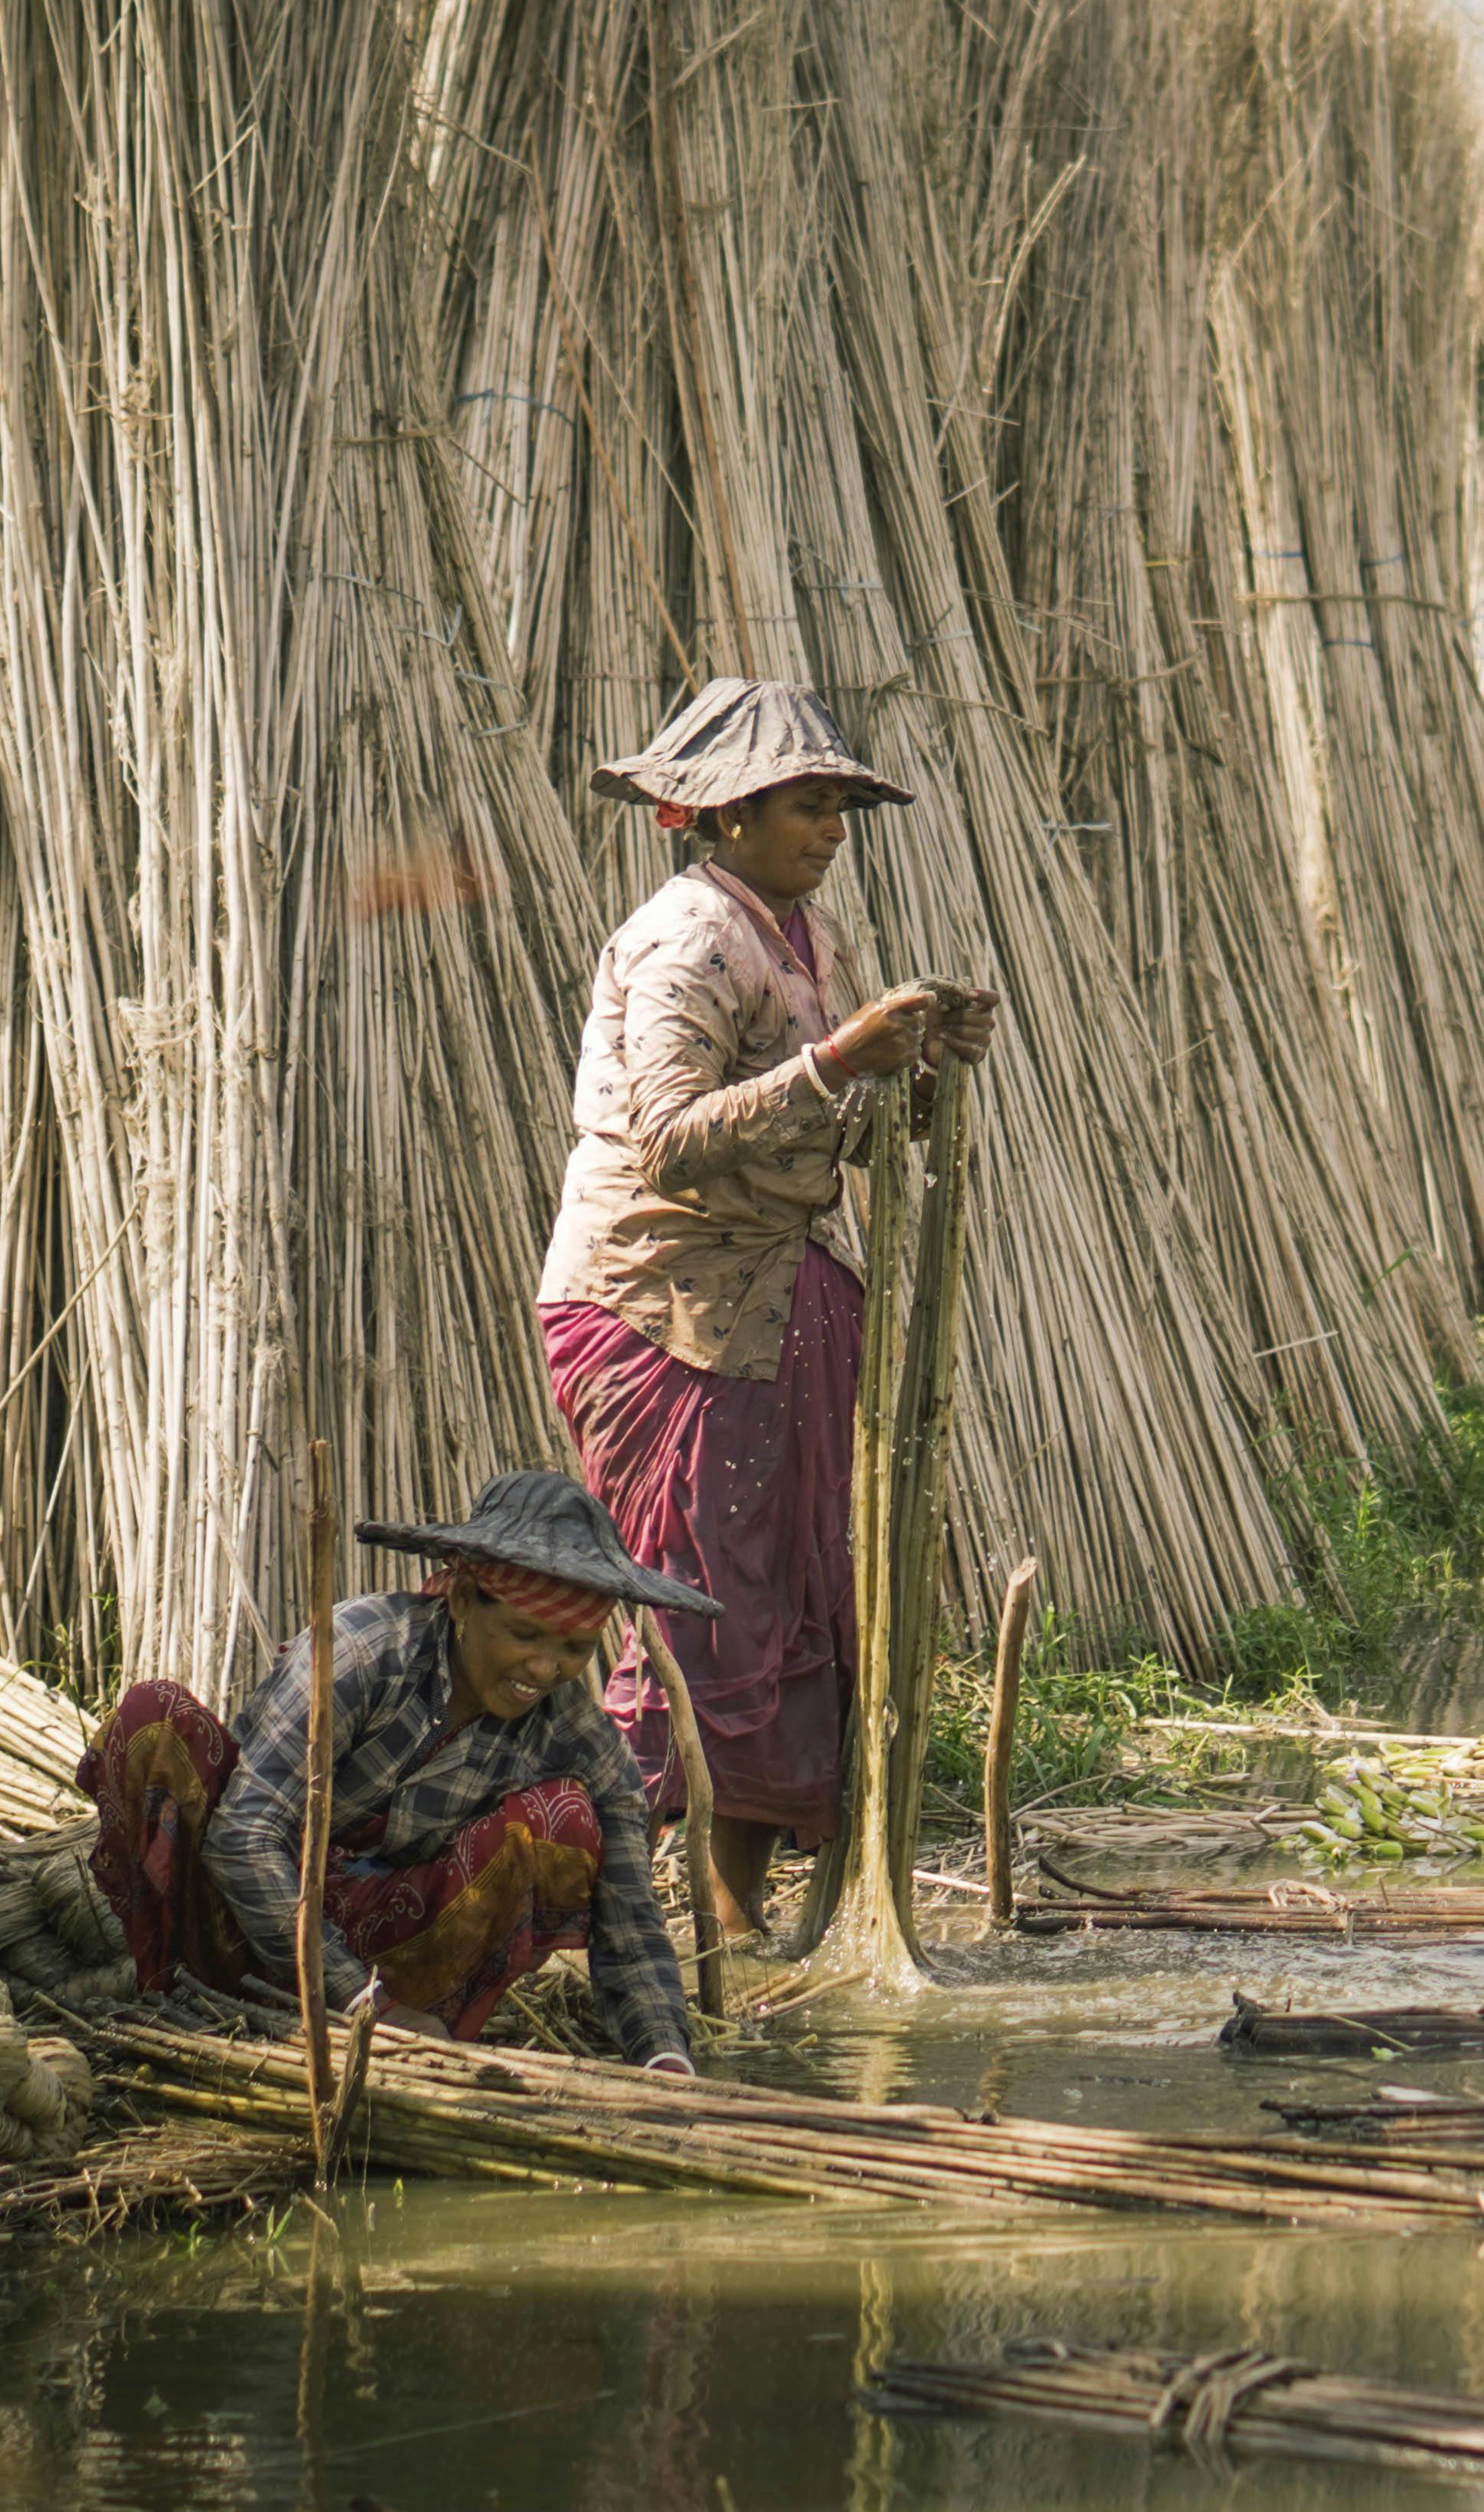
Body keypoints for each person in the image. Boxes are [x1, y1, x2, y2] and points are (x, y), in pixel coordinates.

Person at [535, 678, 997, 1941]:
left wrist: (915, 1068)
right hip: (663, 1312)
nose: (832, 829)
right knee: (696, 1619)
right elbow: (674, 1142)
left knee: (780, 1610)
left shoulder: (805, 940)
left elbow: (824, 1134)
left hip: (773, 1302)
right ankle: (610, 1918)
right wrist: (847, 1057)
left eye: (840, 807)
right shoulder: (686, 939)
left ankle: (731, 1921)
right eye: (808, 805)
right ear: (722, 816)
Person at [77, 1470, 708, 2071]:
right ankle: (164, 1993)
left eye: (573, 1648)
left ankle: (423, 2043)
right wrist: (363, 2004)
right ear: (463, 1600)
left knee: (562, 1822)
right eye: (525, 1635)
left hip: (385, 1948)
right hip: (235, 1909)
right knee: (153, 1719)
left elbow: (630, 1917)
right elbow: (243, 1838)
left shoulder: (577, 1737)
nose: (546, 1669)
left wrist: (665, 2056)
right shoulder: (361, 1652)